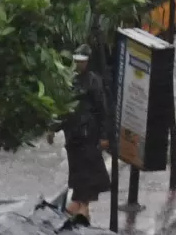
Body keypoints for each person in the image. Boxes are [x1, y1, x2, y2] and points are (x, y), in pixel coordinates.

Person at [53, 51, 112, 225]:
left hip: (89, 133)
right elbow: (64, 108)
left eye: (82, 62)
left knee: (88, 168)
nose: (79, 65)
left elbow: (103, 110)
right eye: (76, 61)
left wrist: (104, 135)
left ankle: (83, 203)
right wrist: (53, 128)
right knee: (77, 168)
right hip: (73, 134)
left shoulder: (94, 82)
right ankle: (78, 200)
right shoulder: (69, 80)